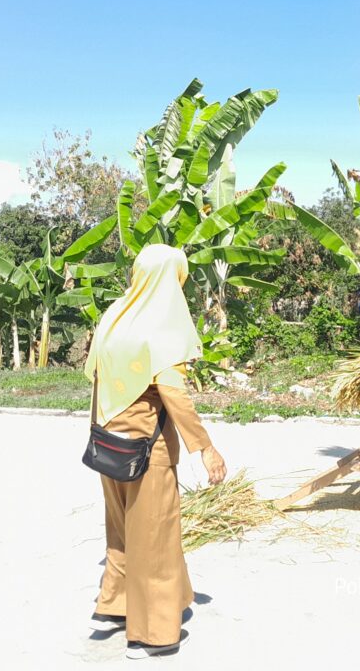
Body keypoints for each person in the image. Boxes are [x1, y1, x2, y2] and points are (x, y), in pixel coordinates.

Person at [83, 244, 227, 660]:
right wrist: (205, 447)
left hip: (109, 445)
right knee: (156, 539)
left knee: (122, 533)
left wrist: (103, 428)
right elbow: (172, 391)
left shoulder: (116, 314)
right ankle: (152, 635)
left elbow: (95, 374)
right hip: (148, 451)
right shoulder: (163, 322)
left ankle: (113, 607)